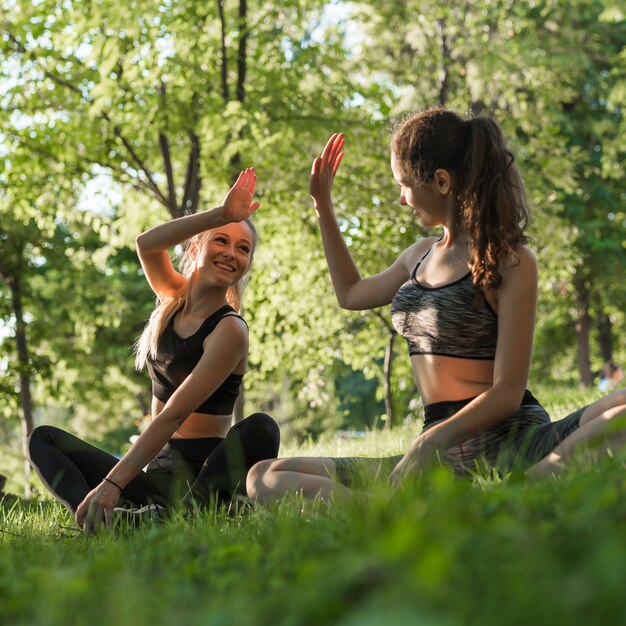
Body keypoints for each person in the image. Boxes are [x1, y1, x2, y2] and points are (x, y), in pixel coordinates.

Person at [246, 109, 626, 502]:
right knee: (263, 475)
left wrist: (427, 443)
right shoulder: (420, 255)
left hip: (517, 443)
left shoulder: (510, 260)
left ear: (441, 181)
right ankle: (384, 511)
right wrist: (323, 206)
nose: (400, 198)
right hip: (439, 460)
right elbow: (352, 294)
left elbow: (508, 391)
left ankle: (518, 491)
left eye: (404, 184)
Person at [29, 168, 280, 533]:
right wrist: (220, 214)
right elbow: (146, 244)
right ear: (196, 248)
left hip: (205, 477)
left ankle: (172, 519)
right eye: (221, 240)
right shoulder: (172, 301)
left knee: (262, 428)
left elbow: (173, 415)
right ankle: (97, 519)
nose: (232, 253)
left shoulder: (230, 329)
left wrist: (113, 483)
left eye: (243, 249)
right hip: (156, 474)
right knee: (44, 439)